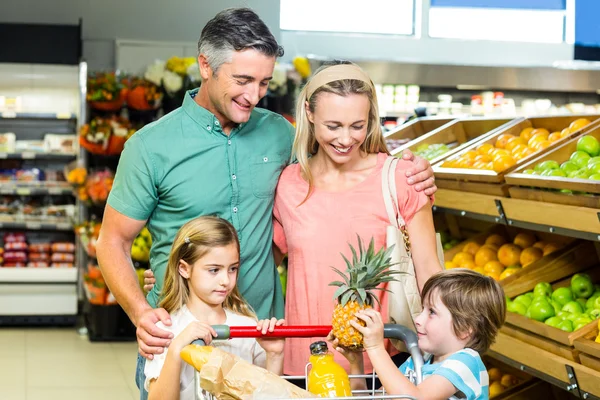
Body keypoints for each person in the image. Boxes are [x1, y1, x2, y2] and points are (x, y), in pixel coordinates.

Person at [96, 7, 436, 399]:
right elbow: (112, 242)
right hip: (181, 336)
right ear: (205, 65)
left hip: (266, 339)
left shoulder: (279, 134)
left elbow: (340, 158)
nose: (254, 95)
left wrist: (405, 168)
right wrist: (141, 312)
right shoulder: (150, 146)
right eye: (242, 80)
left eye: (263, 82)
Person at [272, 61, 443, 377]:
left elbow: (429, 270)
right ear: (309, 113)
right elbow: (262, 262)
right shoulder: (289, 183)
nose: (345, 139)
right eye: (333, 126)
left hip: (381, 367)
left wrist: (451, 350)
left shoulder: (401, 179)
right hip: (303, 364)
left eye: (357, 125)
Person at [145, 216, 285, 400]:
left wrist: (275, 355)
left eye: (232, 269)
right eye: (214, 270)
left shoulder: (249, 326)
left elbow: (265, 396)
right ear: (184, 269)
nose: (226, 280)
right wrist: (177, 347)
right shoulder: (166, 330)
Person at [333, 269, 506, 400]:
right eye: (422, 308)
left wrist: (376, 348)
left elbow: (414, 398)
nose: (418, 319)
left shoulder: (467, 362)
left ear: (465, 328)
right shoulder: (418, 360)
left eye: (431, 312)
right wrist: (356, 363)